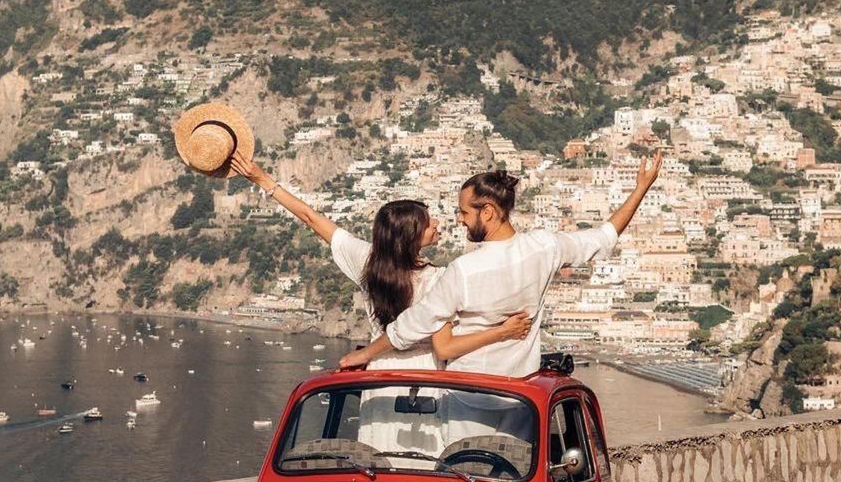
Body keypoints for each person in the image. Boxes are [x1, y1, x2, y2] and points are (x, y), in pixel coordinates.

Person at [339, 151, 663, 377]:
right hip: (519, 393)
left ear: (488, 212)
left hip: (468, 395)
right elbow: (604, 235)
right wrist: (641, 188)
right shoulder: (545, 247)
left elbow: (411, 326)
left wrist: (366, 354)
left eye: (465, 213)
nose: (460, 221)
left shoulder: (463, 271)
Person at [227, 154, 531, 369]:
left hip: (379, 372)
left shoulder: (367, 261)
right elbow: (450, 341)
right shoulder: (440, 278)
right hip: (428, 378)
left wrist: (262, 179)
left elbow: (310, 218)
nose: (437, 222)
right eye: (428, 223)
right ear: (412, 236)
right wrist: (504, 330)